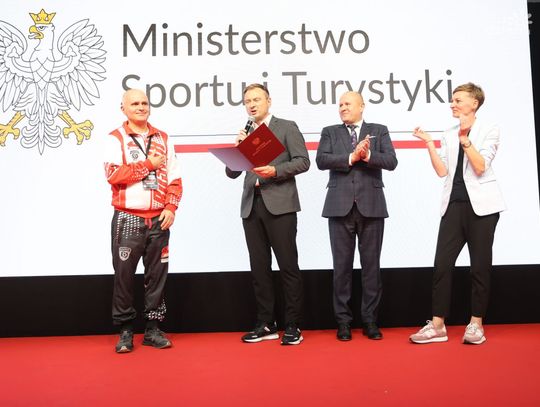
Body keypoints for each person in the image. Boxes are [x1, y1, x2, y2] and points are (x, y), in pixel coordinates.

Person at [409, 82, 505, 345]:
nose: (452, 104)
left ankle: (476, 324)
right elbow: (442, 171)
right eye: (452, 100)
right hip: (453, 205)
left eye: (458, 100)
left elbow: (481, 166)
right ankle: (438, 325)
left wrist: (466, 141)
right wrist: (430, 144)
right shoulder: (448, 133)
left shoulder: (490, 129)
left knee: (480, 267)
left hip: (483, 208)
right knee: (442, 265)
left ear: (474, 103)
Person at [226, 83, 310, 345]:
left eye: (256, 99)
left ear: (269, 101)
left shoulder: (286, 127)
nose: (252, 105)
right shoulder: (247, 132)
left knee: (288, 266)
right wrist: (238, 149)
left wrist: (276, 171)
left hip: (280, 204)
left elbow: (303, 161)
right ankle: (266, 323)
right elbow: (232, 172)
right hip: (252, 205)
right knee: (259, 269)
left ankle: (293, 325)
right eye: (247, 101)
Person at [104, 88, 183, 353]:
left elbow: (175, 178)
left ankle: (153, 329)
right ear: (123, 108)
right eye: (135, 103)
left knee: (157, 276)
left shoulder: (162, 138)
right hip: (128, 217)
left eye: (144, 103)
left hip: (159, 218)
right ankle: (126, 330)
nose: (141, 107)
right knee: (124, 276)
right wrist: (148, 165)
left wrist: (171, 207)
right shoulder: (116, 138)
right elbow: (113, 175)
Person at [316, 91, 398, 341]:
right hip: (338, 206)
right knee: (341, 269)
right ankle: (343, 322)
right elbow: (321, 160)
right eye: (340, 104)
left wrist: (368, 156)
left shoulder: (379, 130)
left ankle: (370, 321)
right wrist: (352, 157)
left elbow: (391, 161)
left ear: (362, 106)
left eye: (348, 104)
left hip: (371, 206)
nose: (343, 107)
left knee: (371, 268)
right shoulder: (330, 131)